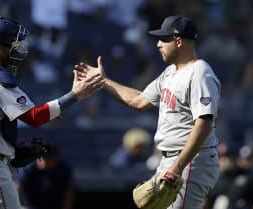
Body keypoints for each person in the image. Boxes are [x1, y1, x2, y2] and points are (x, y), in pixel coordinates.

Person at [0, 16, 105, 209]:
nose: (17, 51)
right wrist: (75, 95)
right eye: (12, 46)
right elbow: (35, 117)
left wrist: (1, 140)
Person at [76, 15, 221, 209]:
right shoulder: (171, 72)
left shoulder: (200, 73)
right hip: (172, 160)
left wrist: (176, 168)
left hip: (190, 162)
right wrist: (102, 81)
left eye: (163, 39)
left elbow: (203, 124)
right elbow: (138, 100)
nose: (158, 44)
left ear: (178, 41)